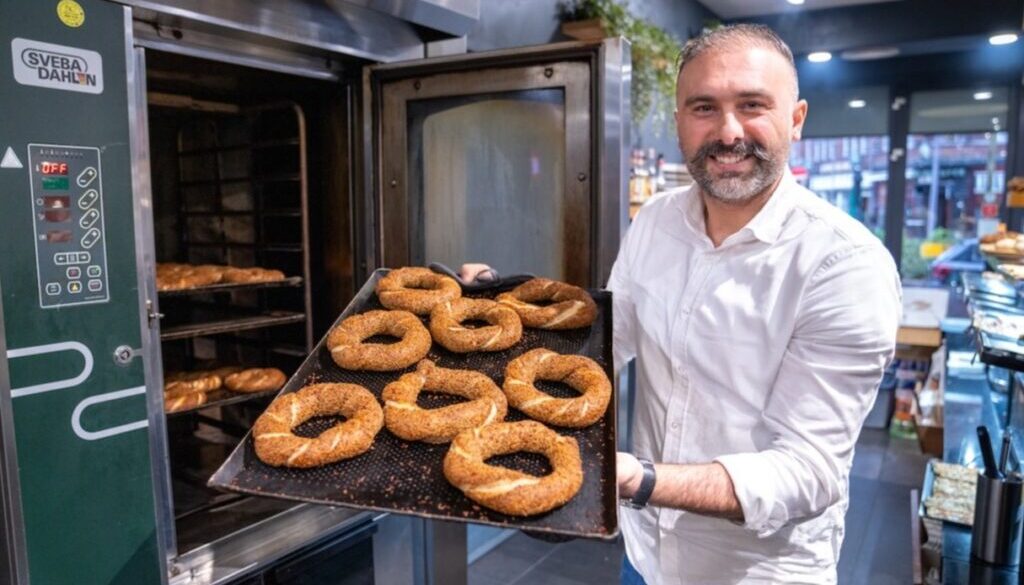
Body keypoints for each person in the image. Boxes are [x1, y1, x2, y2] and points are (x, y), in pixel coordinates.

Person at [463, 23, 901, 585]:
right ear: (678, 123)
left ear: (796, 119)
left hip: (755, 570)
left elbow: (808, 470)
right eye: (703, 108)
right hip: (647, 555)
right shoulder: (659, 222)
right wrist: (501, 308)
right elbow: (606, 341)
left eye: (752, 105)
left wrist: (638, 480)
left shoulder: (845, 266)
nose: (728, 131)